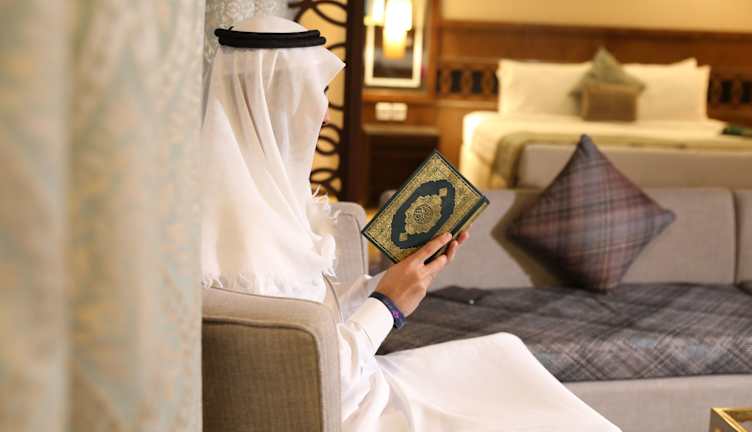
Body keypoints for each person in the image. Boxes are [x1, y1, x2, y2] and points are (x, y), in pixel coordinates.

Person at [201, 14, 621, 432]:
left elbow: (308, 313)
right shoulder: (243, 240)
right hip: (354, 412)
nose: (326, 117)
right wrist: (388, 305)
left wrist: (393, 280)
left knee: (505, 355)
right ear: (276, 104)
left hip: (362, 384)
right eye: (317, 94)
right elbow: (316, 377)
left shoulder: (260, 198)